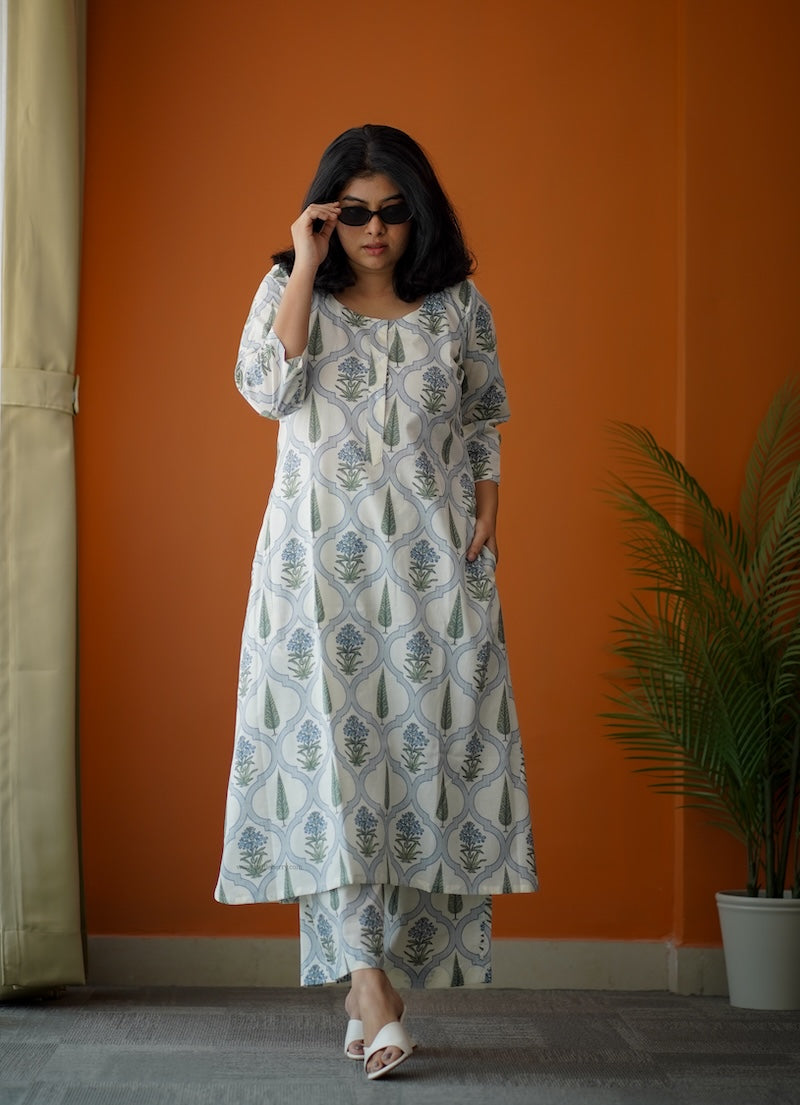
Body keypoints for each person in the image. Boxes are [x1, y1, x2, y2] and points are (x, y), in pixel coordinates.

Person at [215, 124, 537, 1079]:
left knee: (420, 762)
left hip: (434, 573)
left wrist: (490, 500)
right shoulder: (291, 292)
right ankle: (373, 988)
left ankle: (369, 990)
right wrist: (303, 265)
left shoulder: (457, 306)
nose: (374, 229)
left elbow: (485, 412)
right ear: (325, 213)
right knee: (336, 774)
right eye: (353, 211)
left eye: (393, 210)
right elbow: (266, 390)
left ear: (417, 213)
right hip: (317, 579)